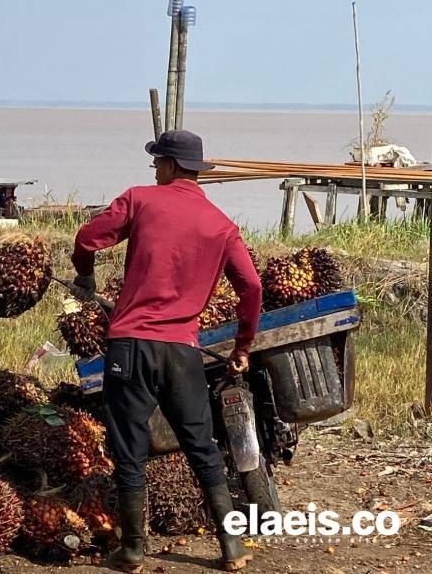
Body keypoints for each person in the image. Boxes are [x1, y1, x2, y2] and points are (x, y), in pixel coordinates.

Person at [70, 130, 262, 573]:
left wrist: (86, 278)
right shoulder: (222, 225)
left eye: (158, 162)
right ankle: (231, 547)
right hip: (182, 352)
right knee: (202, 447)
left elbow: (87, 238)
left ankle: (134, 550)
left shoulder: (140, 199)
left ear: (172, 165)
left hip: (131, 346)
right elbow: (251, 287)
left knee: (129, 447)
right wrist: (243, 346)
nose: (154, 170)